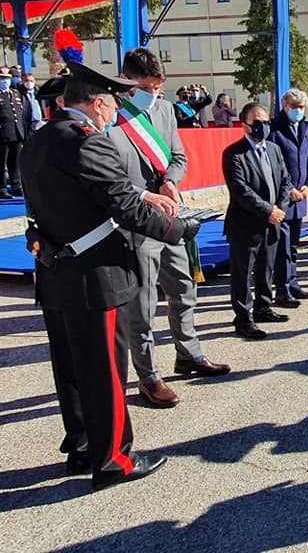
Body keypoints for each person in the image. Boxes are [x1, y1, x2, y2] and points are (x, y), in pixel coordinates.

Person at [19, 61, 200, 490]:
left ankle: (82, 446)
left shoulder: (39, 139)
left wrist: (144, 196)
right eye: (112, 104)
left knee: (71, 370)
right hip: (95, 276)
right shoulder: (88, 142)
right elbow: (124, 206)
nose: (113, 112)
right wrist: (178, 229)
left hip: (56, 272)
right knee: (105, 371)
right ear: (98, 104)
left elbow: (82, 191)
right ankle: (114, 459)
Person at [109, 48, 230, 408]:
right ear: (128, 81)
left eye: (160, 87)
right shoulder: (113, 116)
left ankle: (188, 353)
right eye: (148, 86)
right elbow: (109, 178)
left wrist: (171, 182)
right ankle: (148, 376)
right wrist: (147, 194)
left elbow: (178, 156)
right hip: (137, 222)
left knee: (184, 288)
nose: (156, 93)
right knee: (143, 306)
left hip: (170, 216)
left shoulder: (163, 111)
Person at [222, 103, 293, 339]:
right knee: (243, 274)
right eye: (257, 122)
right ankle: (243, 319)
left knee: (266, 268)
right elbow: (240, 190)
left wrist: (280, 208)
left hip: (273, 221)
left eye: (265, 121)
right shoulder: (234, 153)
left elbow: (284, 179)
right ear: (245, 125)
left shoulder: (273, 149)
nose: (262, 126)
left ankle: (263, 307)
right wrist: (267, 210)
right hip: (245, 224)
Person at [268, 89, 308, 307]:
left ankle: (293, 282)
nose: (298, 111)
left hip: (301, 197)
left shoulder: (306, 128)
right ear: (285, 106)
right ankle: (282, 288)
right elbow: (273, 164)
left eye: (301, 107)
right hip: (283, 197)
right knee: (283, 247)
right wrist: (288, 189)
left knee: (294, 244)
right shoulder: (274, 129)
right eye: (294, 107)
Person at [0, 67, 25, 197]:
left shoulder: (15, 93)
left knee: (15, 162)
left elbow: (20, 113)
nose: (5, 81)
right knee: (1, 162)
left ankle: (16, 185)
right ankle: (2, 188)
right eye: (2, 78)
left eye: (7, 79)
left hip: (16, 132)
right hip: (3, 133)